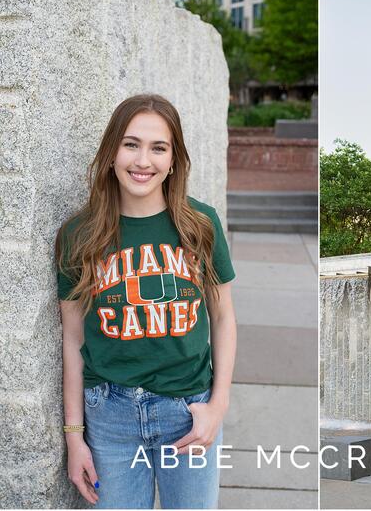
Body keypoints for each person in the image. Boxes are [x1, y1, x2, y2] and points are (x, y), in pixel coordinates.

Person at [56, 94, 237, 508]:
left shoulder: (200, 225)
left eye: (159, 148)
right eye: (131, 144)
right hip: (110, 418)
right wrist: (74, 438)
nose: (143, 161)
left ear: (173, 161)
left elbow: (224, 317)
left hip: (187, 413)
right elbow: (72, 339)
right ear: (112, 152)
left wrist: (217, 406)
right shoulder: (78, 235)